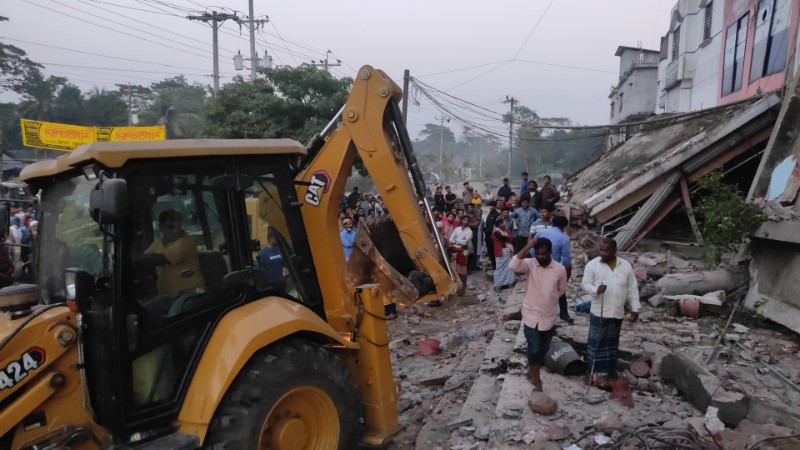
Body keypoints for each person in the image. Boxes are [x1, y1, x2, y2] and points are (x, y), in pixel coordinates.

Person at [509, 237, 567, 392]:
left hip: (549, 316)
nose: (540, 257)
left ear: (550, 253)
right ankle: (537, 380)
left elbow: (561, 290)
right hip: (530, 315)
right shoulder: (530, 264)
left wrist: (549, 299)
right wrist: (528, 246)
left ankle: (533, 367)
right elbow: (513, 265)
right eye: (538, 254)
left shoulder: (559, 269)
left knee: (544, 348)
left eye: (544, 254)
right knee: (534, 348)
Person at [581, 237, 640, 384]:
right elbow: (585, 284)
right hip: (599, 311)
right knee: (596, 343)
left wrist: (635, 307)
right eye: (601, 250)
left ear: (614, 250)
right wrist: (595, 289)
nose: (603, 253)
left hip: (617, 311)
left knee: (611, 344)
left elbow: (632, 288)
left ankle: (609, 373)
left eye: (607, 250)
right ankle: (592, 372)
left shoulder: (625, 265)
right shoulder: (592, 265)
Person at [137, 210, 206, 318]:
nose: (176, 231)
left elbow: (160, 259)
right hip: (167, 296)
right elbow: (143, 260)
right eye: (170, 227)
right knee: (140, 314)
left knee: (174, 317)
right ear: (160, 227)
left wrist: (135, 258)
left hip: (192, 292)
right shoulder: (158, 243)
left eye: (178, 226)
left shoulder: (186, 242)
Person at [535, 216, 574, 323]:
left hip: (538, 264)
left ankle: (539, 313)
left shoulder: (540, 233)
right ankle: (563, 313)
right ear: (564, 226)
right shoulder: (564, 238)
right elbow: (566, 260)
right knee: (560, 291)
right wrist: (566, 277)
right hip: (553, 266)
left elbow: (533, 251)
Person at [448, 216, 472, 295]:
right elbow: (450, 239)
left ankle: (462, 289)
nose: (466, 222)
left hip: (463, 252)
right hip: (455, 251)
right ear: (461, 221)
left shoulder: (469, 231)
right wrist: (460, 240)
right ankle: (456, 287)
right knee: (454, 269)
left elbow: (465, 242)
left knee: (463, 271)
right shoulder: (457, 229)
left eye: (467, 220)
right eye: (464, 220)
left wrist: (456, 240)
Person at [492, 217, 515, 292]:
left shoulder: (505, 231)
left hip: (507, 251)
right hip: (500, 251)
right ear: (498, 225)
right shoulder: (496, 232)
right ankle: (497, 285)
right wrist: (507, 238)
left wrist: (507, 238)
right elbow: (503, 238)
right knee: (499, 268)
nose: (504, 224)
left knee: (509, 267)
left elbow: (511, 238)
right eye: (502, 223)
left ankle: (508, 282)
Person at [484, 200, 501, 270]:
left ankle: (495, 265)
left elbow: (493, 227)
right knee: (490, 251)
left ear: (495, 206)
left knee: (493, 251)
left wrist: (487, 232)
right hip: (488, 236)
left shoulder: (497, 214)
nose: (491, 207)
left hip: (493, 236)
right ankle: (493, 263)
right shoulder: (490, 214)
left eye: (493, 206)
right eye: (490, 206)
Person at [465, 203, 481, 271]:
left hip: (474, 235)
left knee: (474, 250)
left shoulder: (476, 216)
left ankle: (473, 266)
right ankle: (468, 266)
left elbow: (475, 225)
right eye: (468, 207)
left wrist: (467, 223)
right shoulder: (465, 215)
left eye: (471, 207)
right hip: (466, 234)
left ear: (473, 208)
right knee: (467, 250)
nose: (469, 209)